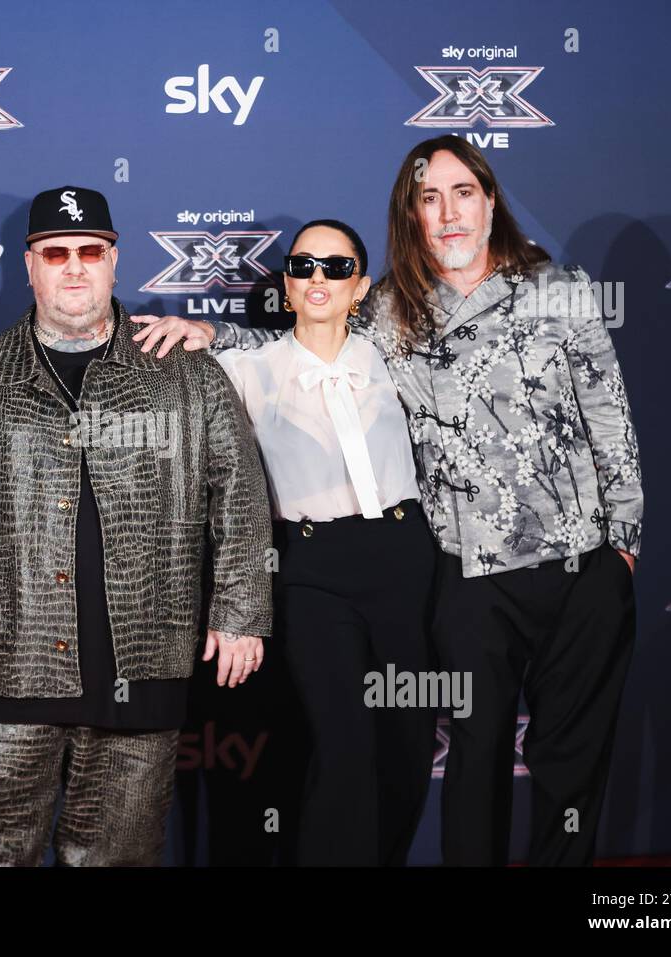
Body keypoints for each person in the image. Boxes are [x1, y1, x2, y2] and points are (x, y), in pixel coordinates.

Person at [133, 135, 644, 866]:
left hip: (581, 565)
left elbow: (610, 418)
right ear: (412, 216)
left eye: (462, 192)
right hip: (465, 577)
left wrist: (622, 550)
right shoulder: (390, 312)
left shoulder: (558, 290)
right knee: (473, 762)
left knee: (571, 768)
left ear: (490, 199)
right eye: (427, 199)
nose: (448, 212)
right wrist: (210, 332)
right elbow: (308, 334)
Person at [0, 185, 272, 866]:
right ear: (31, 264)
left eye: (89, 251)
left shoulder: (186, 375)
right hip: (3, 664)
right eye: (56, 252)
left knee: (116, 858)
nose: (74, 266)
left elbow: (240, 499)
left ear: (114, 261)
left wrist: (241, 612)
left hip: (143, 662)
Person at [211, 219, 437, 865]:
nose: (318, 278)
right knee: (342, 744)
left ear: (360, 287)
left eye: (336, 268)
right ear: (286, 281)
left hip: (404, 561)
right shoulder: (247, 368)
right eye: (304, 265)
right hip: (312, 569)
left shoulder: (396, 354)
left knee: (406, 741)